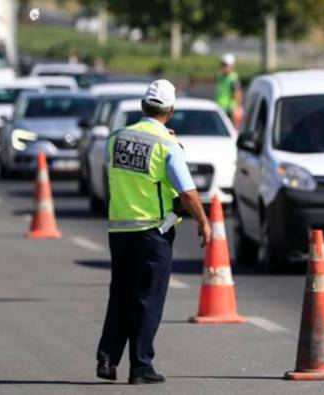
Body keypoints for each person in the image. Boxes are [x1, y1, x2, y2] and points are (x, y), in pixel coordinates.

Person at [96, 79, 212, 384]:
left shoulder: (116, 139)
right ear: (170, 111)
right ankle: (140, 366)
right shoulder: (167, 146)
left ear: (142, 106)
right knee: (148, 299)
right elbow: (187, 194)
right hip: (152, 231)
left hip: (119, 230)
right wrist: (204, 222)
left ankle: (107, 359)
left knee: (120, 294)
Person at [215, 53, 243, 128]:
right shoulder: (220, 76)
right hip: (219, 107)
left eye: (226, 65)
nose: (224, 67)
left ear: (232, 66)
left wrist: (238, 108)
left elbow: (237, 93)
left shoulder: (233, 79)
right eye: (223, 65)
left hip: (229, 109)